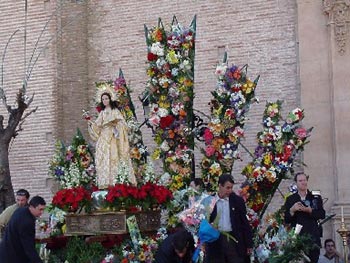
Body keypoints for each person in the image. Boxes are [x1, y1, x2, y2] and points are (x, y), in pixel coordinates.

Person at [86, 91, 136, 188]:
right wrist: (90, 122)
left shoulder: (115, 111)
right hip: (103, 138)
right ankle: (105, 182)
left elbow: (123, 125)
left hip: (113, 137)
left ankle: (115, 182)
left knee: (114, 157)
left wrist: (116, 126)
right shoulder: (102, 113)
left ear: (110, 99)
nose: (104, 101)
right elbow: (97, 127)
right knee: (103, 158)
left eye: (106, 98)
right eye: (103, 99)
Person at [206, 173, 253, 263]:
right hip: (216, 242)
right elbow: (205, 221)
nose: (230, 190)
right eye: (227, 188)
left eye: (231, 188)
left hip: (233, 240)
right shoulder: (210, 201)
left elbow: (244, 223)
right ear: (220, 186)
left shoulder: (237, 201)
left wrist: (249, 244)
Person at [284, 172, 326, 263]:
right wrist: (292, 210)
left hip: (313, 237)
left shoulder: (315, 197)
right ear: (296, 183)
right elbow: (286, 219)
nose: (303, 182)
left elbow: (322, 214)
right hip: (297, 238)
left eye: (305, 180)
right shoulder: (291, 199)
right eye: (300, 180)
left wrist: (310, 211)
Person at [0, 195, 46, 263]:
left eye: (43, 209)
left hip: (6, 251)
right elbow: (28, 246)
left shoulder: (21, 211)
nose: (42, 212)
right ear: (31, 207)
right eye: (40, 209)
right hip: (12, 256)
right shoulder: (27, 221)